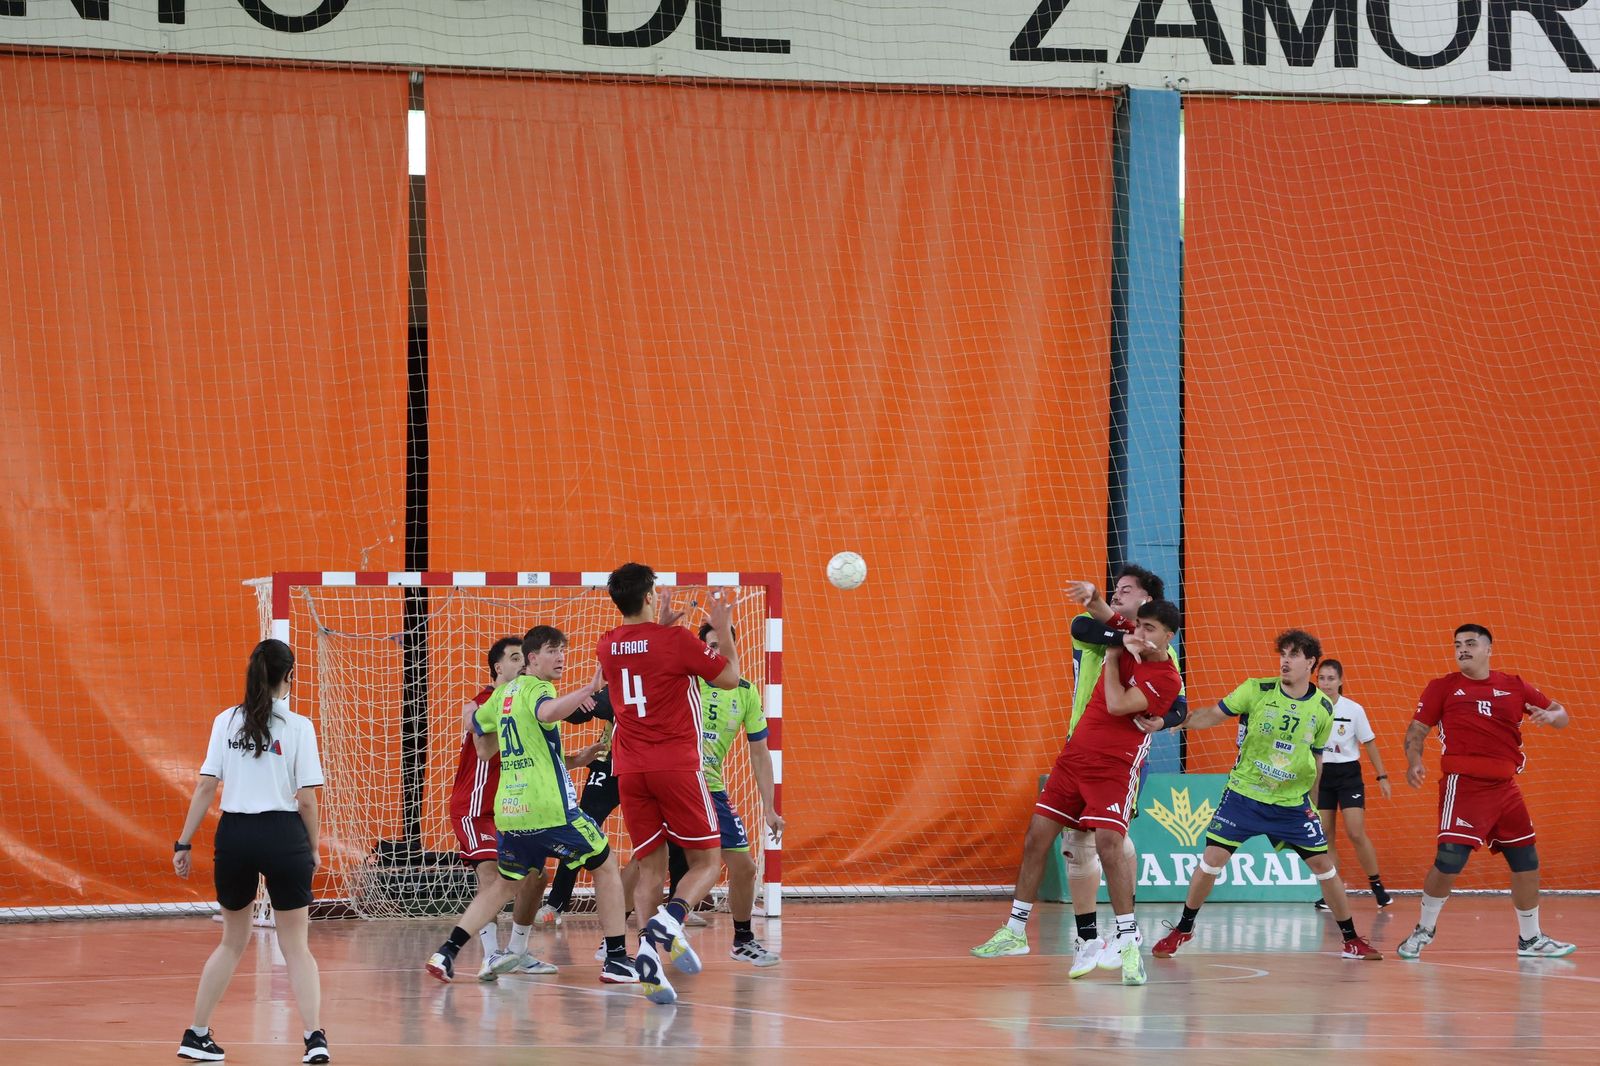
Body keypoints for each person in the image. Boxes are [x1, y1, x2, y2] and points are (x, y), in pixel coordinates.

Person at [973, 600, 1185, 986]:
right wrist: (1093, 600)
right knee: (1037, 837)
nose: (1142, 632)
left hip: (1113, 768)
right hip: (1074, 757)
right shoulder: (1131, 633)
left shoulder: (1166, 676)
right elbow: (1101, 620)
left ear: (1168, 637)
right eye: (1140, 625)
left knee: (1108, 844)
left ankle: (1127, 939)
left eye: (1151, 629)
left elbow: (1120, 704)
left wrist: (1116, 650)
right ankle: (1015, 931)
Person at [1152, 630, 1382, 962]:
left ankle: (1350, 939)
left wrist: (1313, 802)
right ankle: (1183, 928)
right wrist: (1181, 721)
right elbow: (1213, 715)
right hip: (1244, 794)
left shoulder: (1322, 708)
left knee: (1324, 866)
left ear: (1310, 663)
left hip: (1290, 803)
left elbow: (1315, 758)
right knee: (1212, 860)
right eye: (1283, 654)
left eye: (1294, 655)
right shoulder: (1256, 690)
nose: (1285, 660)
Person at [425, 626, 635, 986]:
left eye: (563, 650)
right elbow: (548, 712)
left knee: (506, 884)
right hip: (549, 807)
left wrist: (470, 713)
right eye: (552, 651)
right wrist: (588, 690)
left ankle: (446, 952)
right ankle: (615, 957)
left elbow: (477, 725)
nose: (560, 657)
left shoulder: (503, 694)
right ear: (532, 658)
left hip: (510, 809)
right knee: (605, 865)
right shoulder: (539, 688)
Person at [173, 638, 329, 1064]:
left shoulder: (225, 721)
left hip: (235, 834)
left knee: (231, 941)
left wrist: (183, 842)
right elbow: (308, 798)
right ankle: (314, 1039)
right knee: (296, 945)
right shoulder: (298, 726)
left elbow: (207, 785)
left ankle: (196, 1033)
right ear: (289, 677)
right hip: (283, 835)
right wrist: (311, 847)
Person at [596, 563, 740, 1004]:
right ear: (648, 595)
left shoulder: (607, 645)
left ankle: (648, 957)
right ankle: (671, 919)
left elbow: (643, 656)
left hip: (630, 769)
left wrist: (655, 628)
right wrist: (723, 628)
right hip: (675, 764)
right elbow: (730, 678)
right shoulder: (679, 640)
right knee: (707, 863)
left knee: (649, 867)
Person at [1396, 624, 1575, 960]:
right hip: (1464, 786)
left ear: (1489, 649)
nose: (1462, 649)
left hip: (1506, 789)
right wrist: (1414, 760)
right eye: (1457, 645)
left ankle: (1530, 938)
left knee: (1526, 862)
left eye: (1470, 643)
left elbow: (1562, 715)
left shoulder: (1514, 685)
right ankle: (1424, 929)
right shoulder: (1443, 687)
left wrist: (1551, 716)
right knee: (1449, 859)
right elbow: (1416, 730)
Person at [1059, 567, 1188, 977]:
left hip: (1125, 758)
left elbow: (1180, 705)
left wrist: (1164, 722)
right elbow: (1087, 625)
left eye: (1126, 590)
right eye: (1113, 590)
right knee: (1078, 843)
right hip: (1079, 746)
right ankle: (1086, 939)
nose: (1116, 595)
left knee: (1105, 841)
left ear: (1147, 600)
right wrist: (1124, 639)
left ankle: (1123, 933)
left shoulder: (1160, 650)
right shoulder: (1094, 627)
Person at [653, 623, 782, 965]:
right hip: (673, 781)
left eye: (726, 645)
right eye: (712, 645)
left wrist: (769, 807)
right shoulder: (685, 681)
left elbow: (759, 753)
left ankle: (742, 940)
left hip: (710, 787)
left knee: (744, 868)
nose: (720, 652)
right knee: (643, 865)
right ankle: (618, 946)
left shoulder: (745, 691)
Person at [447, 635, 525, 979]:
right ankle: (491, 954)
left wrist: (574, 760)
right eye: (515, 658)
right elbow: (479, 736)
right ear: (498, 667)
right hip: (474, 808)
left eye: (524, 658)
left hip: (509, 808)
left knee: (535, 876)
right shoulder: (483, 702)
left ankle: (519, 952)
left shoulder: (521, 704)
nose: (522, 664)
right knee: (491, 874)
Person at [1309, 659, 1393, 911]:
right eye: (1322, 678)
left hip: (1348, 775)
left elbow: (1369, 743)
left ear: (1341, 681)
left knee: (1355, 832)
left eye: (1331, 678)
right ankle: (1332, 892)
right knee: (1326, 835)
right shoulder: (1310, 708)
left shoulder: (1354, 710)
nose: (1326, 683)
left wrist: (1382, 776)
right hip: (1321, 774)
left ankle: (1376, 884)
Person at [537, 686, 617, 925]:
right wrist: (580, 703)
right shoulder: (624, 673)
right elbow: (586, 710)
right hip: (608, 764)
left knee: (666, 833)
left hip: (647, 768)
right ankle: (556, 903)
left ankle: (678, 906)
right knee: (580, 831)